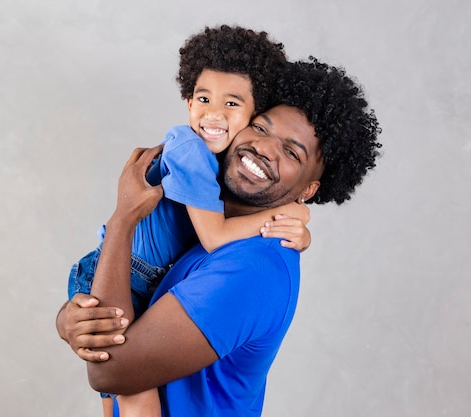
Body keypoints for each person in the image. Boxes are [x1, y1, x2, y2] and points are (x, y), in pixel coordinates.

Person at [57, 58, 382, 416]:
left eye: (291, 152)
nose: (264, 148)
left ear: (309, 189)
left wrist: (123, 219)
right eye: (260, 127)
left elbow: (112, 370)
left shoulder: (253, 266)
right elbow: (128, 297)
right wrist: (72, 322)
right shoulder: (204, 218)